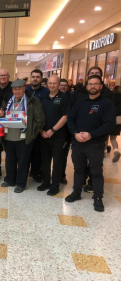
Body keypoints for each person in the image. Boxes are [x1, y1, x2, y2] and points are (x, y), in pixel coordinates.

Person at [66, 75, 116, 212]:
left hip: (95, 144)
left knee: (96, 172)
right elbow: (71, 119)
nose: (92, 86)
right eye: (90, 84)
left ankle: (98, 197)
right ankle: (76, 192)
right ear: (86, 86)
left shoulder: (106, 104)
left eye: (96, 84)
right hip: (78, 143)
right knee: (78, 169)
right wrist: (76, 133)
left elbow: (109, 124)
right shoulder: (80, 102)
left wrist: (90, 134)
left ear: (101, 86)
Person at [0, 79, 45, 193]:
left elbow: (40, 120)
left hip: (24, 137)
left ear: (25, 88)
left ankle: (21, 183)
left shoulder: (32, 100)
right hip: (8, 136)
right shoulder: (8, 100)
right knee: (10, 160)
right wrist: (2, 114)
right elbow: (3, 114)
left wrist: (32, 134)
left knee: (23, 161)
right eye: (15, 89)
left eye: (19, 88)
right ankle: (10, 180)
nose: (17, 91)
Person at [38, 76, 70, 196]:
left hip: (59, 136)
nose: (52, 85)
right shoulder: (43, 97)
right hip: (43, 135)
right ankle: (46, 182)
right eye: (50, 83)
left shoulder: (65, 97)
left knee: (57, 162)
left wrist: (52, 130)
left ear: (58, 84)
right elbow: (38, 115)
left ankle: (55, 185)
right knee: (45, 161)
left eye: (54, 83)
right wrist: (41, 130)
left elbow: (65, 116)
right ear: (47, 84)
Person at [26, 69, 50, 183]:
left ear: (41, 79)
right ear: (30, 78)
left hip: (39, 128)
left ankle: (35, 172)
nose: (35, 79)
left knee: (37, 153)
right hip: (26, 126)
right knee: (26, 152)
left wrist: (40, 128)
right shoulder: (25, 90)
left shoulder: (46, 92)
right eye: (33, 76)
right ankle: (24, 172)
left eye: (37, 77)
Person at [59, 79, 73, 184]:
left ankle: (61, 175)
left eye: (65, 85)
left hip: (66, 131)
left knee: (63, 156)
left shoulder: (72, 97)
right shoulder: (52, 96)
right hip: (52, 130)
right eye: (61, 85)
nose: (63, 87)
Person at [110, 86, 121, 162]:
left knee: (105, 138)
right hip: (118, 120)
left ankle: (103, 152)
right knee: (113, 138)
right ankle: (116, 151)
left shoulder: (111, 97)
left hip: (110, 119)